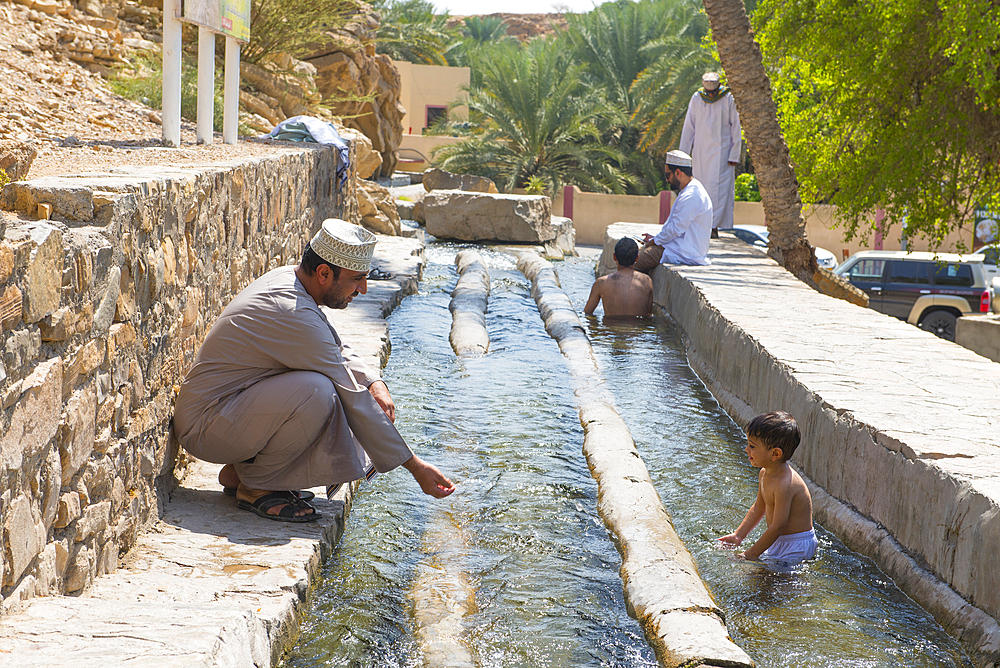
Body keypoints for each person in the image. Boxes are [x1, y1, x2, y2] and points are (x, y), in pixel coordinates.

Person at [172, 218, 456, 522]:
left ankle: (245, 472)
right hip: (205, 428)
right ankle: (256, 486)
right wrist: (416, 467)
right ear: (324, 273)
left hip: (222, 415)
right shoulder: (291, 310)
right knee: (318, 393)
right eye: (357, 279)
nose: (363, 289)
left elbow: (335, 346)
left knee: (326, 390)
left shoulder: (292, 283)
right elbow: (349, 390)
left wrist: (375, 382)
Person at [718, 411, 817, 566]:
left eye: (752, 446)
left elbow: (778, 526)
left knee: (776, 581)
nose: (746, 449)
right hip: (778, 539)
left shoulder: (785, 484)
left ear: (775, 454)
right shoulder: (765, 473)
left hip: (796, 545)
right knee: (758, 576)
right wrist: (738, 536)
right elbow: (759, 506)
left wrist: (749, 554)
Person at [679, 72, 742, 238]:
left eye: (714, 93)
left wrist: (734, 154)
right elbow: (688, 128)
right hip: (700, 155)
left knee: (719, 192)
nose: (712, 96)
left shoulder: (728, 98)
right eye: (709, 93)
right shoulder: (697, 98)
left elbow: (736, 127)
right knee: (699, 189)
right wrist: (683, 157)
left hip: (722, 157)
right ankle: (699, 225)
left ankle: (713, 227)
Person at [633, 150, 714, 272]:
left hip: (684, 252)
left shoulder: (692, 195)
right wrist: (654, 239)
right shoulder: (689, 190)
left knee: (632, 262)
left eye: (667, 175)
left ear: (678, 172)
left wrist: (653, 242)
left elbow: (676, 228)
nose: (667, 180)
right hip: (677, 248)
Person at [584, 237, 653, 317]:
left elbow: (587, 313)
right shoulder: (647, 281)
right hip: (636, 329)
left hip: (609, 329)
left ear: (614, 257)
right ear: (637, 258)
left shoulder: (601, 283)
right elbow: (648, 315)